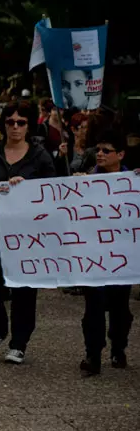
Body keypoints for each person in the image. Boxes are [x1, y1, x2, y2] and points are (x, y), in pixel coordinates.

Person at [0, 101, 55, 365]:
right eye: (10, 122)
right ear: (3, 124)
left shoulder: (40, 156)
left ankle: (19, 342)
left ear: (29, 125)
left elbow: (52, 190)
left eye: (21, 122)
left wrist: (27, 188)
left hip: (26, 232)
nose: (15, 127)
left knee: (23, 286)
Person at [79, 131, 136, 375]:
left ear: (120, 155)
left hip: (122, 255)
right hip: (93, 252)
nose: (100, 154)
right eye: (98, 150)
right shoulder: (87, 178)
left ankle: (118, 347)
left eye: (106, 150)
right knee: (93, 304)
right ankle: (93, 354)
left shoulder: (133, 181)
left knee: (119, 305)